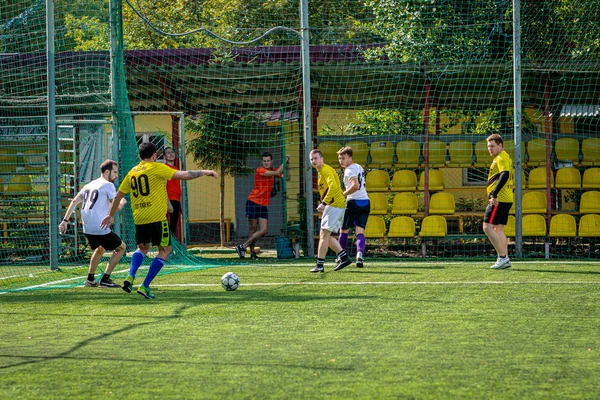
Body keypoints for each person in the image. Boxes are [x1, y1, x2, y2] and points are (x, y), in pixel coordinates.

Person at [100, 142, 218, 299]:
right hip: (156, 217)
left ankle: (130, 276)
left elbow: (118, 196)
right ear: (154, 156)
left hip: (140, 218)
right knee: (165, 250)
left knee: (142, 248)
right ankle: (145, 285)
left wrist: (110, 215)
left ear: (140, 156)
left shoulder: (132, 172)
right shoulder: (157, 168)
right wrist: (204, 171)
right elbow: (184, 175)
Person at [59, 159, 127, 288]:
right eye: (115, 172)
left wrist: (65, 221)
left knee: (100, 248)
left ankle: (90, 279)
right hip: (100, 226)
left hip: (87, 227)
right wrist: (123, 200)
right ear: (107, 172)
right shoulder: (108, 185)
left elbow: (74, 202)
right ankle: (106, 279)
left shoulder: (89, 185)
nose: (116, 175)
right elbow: (117, 206)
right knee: (121, 248)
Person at [235, 152, 290, 260]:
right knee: (253, 228)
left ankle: (242, 246)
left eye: (268, 161)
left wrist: (288, 164)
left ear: (271, 161)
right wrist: (285, 160)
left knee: (264, 230)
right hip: (253, 202)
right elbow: (279, 171)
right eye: (264, 161)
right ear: (262, 162)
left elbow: (287, 177)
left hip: (264, 204)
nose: (266, 163)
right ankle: (251, 253)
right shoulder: (260, 170)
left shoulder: (273, 170)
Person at [308, 149, 352, 273]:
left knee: (324, 235)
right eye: (311, 159)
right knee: (326, 236)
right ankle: (344, 257)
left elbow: (333, 187)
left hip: (335, 205)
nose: (313, 161)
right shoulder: (321, 171)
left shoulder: (326, 170)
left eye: (316, 158)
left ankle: (320, 265)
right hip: (334, 206)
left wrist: (324, 203)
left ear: (322, 159)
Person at [483, 133, 514, 269]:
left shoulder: (500, 158)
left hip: (499, 199)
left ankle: (502, 257)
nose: (490, 149)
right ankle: (505, 259)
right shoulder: (504, 156)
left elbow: (505, 174)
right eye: (489, 146)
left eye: (492, 146)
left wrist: (494, 194)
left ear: (500, 145)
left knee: (487, 227)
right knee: (498, 229)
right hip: (507, 198)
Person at [337, 146, 370, 269]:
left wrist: (343, 194)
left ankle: (341, 256)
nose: (341, 161)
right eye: (340, 158)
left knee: (343, 230)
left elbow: (355, 185)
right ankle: (359, 256)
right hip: (365, 202)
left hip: (353, 202)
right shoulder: (358, 167)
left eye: (343, 158)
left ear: (350, 158)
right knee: (360, 232)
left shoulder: (349, 170)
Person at [163, 147, 182, 240]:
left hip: (176, 199)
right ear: (164, 156)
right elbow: (163, 186)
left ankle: (171, 247)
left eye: (172, 152)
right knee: (168, 226)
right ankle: (166, 247)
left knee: (173, 225)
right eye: (168, 153)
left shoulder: (176, 169)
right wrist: (168, 203)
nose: (171, 154)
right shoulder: (165, 168)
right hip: (169, 199)